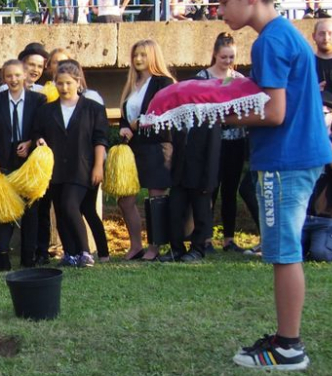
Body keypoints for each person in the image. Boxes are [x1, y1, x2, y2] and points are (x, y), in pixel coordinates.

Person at [210, 0, 332, 370]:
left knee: (283, 252)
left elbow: (274, 112)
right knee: (285, 250)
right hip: (296, 156)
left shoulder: (269, 42)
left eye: (224, 2)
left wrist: (223, 114)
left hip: (285, 159)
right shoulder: (285, 35)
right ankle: (285, 338)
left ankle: (288, 347)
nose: (219, 11)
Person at [34, 63, 108, 267]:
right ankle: (70, 253)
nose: (64, 87)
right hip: (56, 168)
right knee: (59, 209)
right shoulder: (46, 110)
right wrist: (39, 140)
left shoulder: (94, 109)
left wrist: (98, 166)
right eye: (60, 83)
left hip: (83, 167)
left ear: (78, 82)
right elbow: (38, 132)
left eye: (68, 83)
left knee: (70, 204)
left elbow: (100, 139)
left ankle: (85, 252)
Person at [118, 39, 176, 261]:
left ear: (153, 56)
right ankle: (135, 245)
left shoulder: (164, 82)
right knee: (125, 198)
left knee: (156, 197)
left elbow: (162, 113)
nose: (138, 59)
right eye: (135, 55)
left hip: (157, 145)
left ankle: (155, 247)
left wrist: (134, 125)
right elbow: (125, 116)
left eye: (143, 54)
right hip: (133, 148)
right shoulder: (131, 85)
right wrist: (125, 127)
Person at [0, 59, 46, 270]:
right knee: (6, 208)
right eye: (9, 76)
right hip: (4, 156)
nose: (14, 80)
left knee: (31, 210)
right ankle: (2, 258)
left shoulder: (38, 100)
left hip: (27, 159)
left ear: (25, 76)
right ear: (4, 78)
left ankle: (28, 258)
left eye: (17, 75)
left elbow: (41, 129)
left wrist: (30, 143)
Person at [195, 32, 249, 252]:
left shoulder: (239, 80)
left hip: (235, 140)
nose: (228, 62)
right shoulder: (202, 77)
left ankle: (228, 238)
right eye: (224, 57)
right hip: (210, 142)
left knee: (230, 190)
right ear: (215, 55)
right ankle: (205, 237)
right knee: (209, 189)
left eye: (231, 57)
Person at [160, 115, 222, 263]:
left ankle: (197, 249)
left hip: (200, 176)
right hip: (180, 175)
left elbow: (213, 152)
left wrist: (209, 180)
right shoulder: (181, 118)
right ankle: (176, 248)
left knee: (201, 214)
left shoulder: (210, 121)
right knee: (174, 211)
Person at [300, 91, 332, 262]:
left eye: (321, 113)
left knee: (320, 254)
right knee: (287, 253)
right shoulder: (299, 142)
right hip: (299, 216)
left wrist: (322, 139)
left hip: (329, 218)